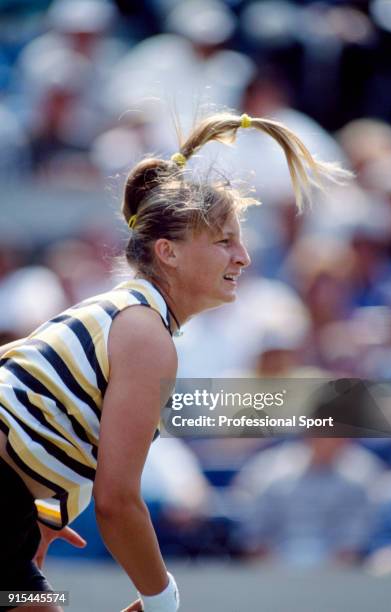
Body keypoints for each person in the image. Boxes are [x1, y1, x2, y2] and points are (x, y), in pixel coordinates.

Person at [0, 111, 348, 612]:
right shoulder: (145, 333)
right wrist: (163, 598)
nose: (244, 256)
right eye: (225, 240)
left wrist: (41, 507)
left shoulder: (135, 321)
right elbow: (117, 503)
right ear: (168, 252)